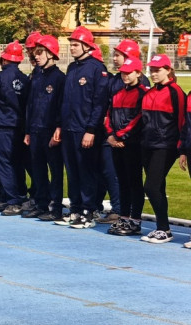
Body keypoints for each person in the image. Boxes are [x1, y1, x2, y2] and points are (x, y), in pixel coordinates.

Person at [55, 27, 111, 229]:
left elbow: (99, 103)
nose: (72, 48)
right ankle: (76, 209)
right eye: (71, 44)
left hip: (84, 129)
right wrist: (60, 125)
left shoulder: (97, 69)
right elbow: (65, 101)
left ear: (87, 46)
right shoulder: (71, 68)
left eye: (76, 44)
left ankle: (89, 210)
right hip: (69, 128)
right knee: (72, 171)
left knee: (86, 170)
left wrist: (91, 130)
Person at [138, 54, 185, 244]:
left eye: (158, 70)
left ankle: (164, 228)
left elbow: (182, 120)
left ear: (168, 69)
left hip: (166, 146)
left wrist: (181, 148)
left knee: (150, 186)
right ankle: (162, 229)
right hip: (148, 145)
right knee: (158, 186)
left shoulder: (176, 92)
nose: (154, 73)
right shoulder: (149, 93)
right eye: (152, 69)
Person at [103, 56, 147, 236]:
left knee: (134, 182)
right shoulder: (118, 94)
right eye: (123, 73)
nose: (125, 76)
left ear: (138, 73)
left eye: (129, 73)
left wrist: (122, 136)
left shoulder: (143, 93)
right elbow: (108, 117)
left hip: (133, 145)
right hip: (117, 144)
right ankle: (124, 216)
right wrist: (111, 136)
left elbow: (138, 118)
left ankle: (135, 220)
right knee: (122, 182)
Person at [24, 35, 66, 221]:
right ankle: (41, 203)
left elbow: (61, 105)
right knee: (38, 169)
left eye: (40, 52)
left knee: (55, 171)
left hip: (50, 131)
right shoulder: (36, 76)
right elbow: (30, 105)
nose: (36, 56)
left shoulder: (59, 78)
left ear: (51, 54)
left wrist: (59, 127)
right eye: (35, 52)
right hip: (35, 129)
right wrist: (27, 130)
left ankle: (55, 207)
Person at [0, 42, 30, 214]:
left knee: (3, 164)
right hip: (19, 127)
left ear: (4, 59)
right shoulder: (25, 79)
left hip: (1, 126)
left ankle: (12, 200)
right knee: (17, 162)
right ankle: (15, 194)